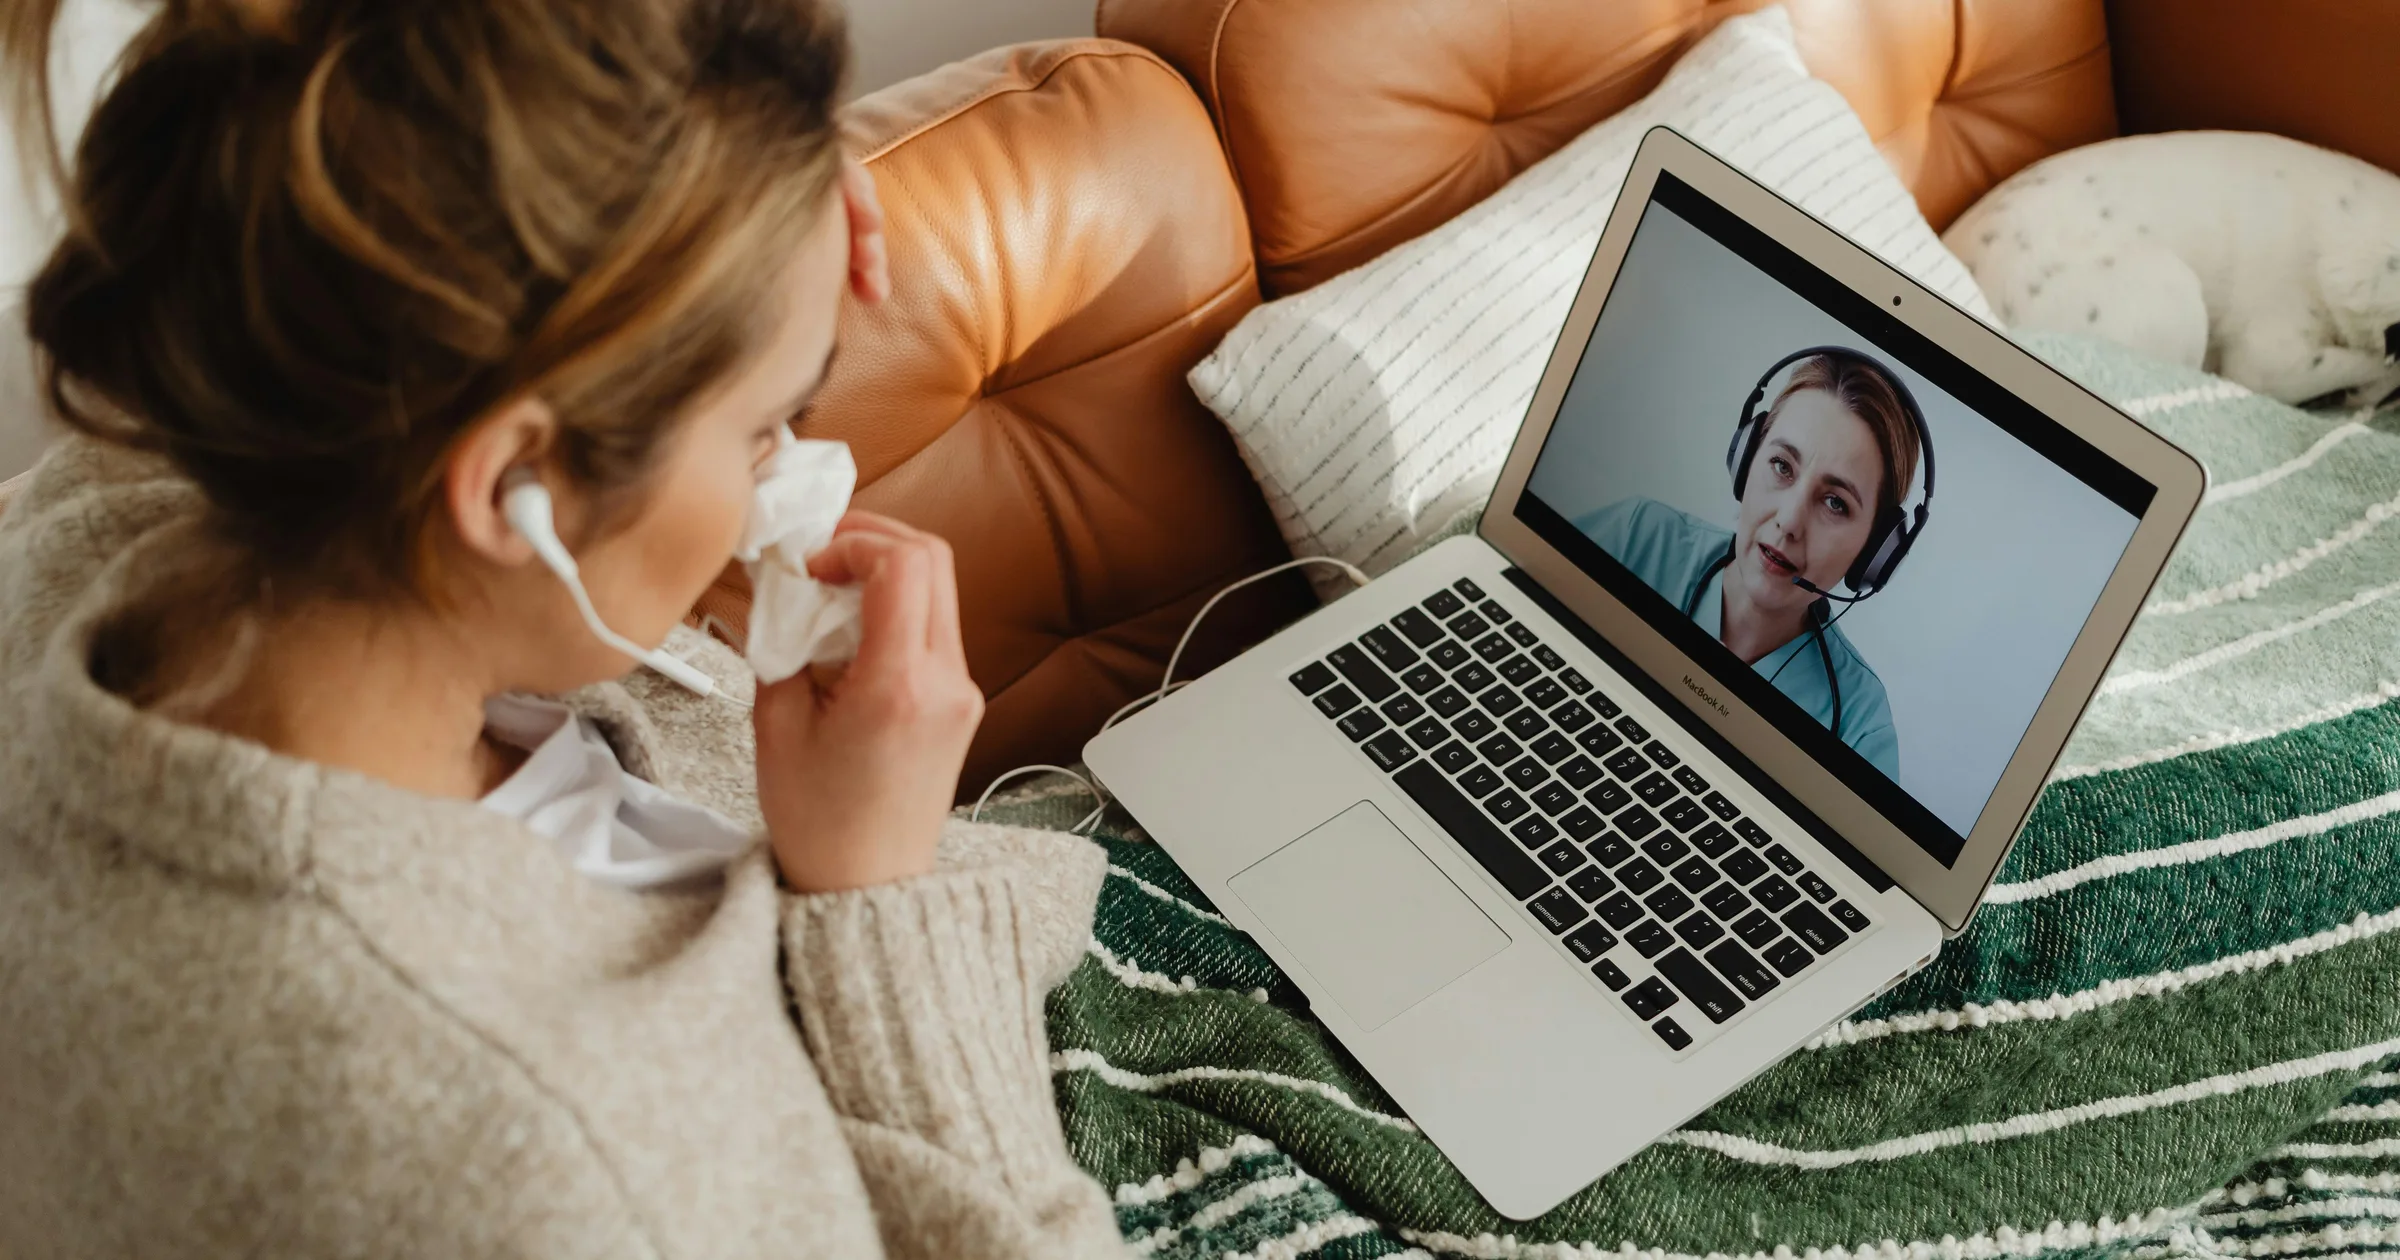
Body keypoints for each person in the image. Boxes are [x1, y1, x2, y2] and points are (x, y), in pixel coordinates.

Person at [0, 1, 1131, 1255]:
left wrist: (743, 216)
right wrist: (874, 895)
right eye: (768, 424)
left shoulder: (119, 508)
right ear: (507, 492)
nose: (787, 471)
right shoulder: (551, 1160)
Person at [1575, 353, 1923, 779]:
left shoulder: (1860, 726)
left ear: (1874, 553)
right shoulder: (1636, 538)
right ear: (1745, 459)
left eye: (1836, 503)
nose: (1789, 521)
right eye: (1782, 466)